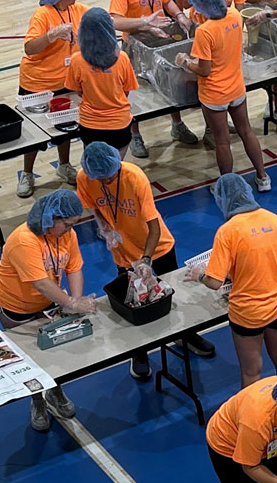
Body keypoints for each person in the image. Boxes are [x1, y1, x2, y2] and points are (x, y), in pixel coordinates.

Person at [76, 142, 214, 380]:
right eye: (101, 180)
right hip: (123, 252)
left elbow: (154, 226)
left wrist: (147, 259)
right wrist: (105, 227)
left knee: (172, 297)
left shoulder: (134, 177)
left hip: (157, 249)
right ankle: (138, 352)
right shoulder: (86, 177)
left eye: (109, 178)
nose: (105, 183)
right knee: (133, 305)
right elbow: (93, 206)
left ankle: (185, 335)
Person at [0, 191, 96, 432]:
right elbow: (40, 282)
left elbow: (74, 267)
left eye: (72, 225)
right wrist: (70, 303)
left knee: (55, 349)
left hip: (48, 300)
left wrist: (75, 301)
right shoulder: (23, 240)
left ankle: (55, 391)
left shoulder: (68, 235)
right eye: (66, 225)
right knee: (30, 357)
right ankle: (37, 400)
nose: (70, 230)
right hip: (16, 304)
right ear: (51, 218)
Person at [188, 174, 277, 388]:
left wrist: (199, 274)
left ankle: (252, 418)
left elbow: (215, 282)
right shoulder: (273, 219)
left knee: (251, 372)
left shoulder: (227, 232)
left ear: (222, 199)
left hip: (248, 313)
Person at [175, 0, 272, 191]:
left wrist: (185, 62)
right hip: (237, 87)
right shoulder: (235, 14)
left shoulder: (205, 31)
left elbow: (204, 70)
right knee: (246, 131)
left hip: (215, 95)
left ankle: (227, 185)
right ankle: (263, 177)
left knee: (222, 141)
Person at [110, 0, 196, 156]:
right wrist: (143, 23)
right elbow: (114, 21)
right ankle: (135, 135)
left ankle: (177, 125)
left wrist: (179, 15)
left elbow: (167, 1)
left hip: (161, 37)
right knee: (137, 93)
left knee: (170, 83)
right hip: (136, 44)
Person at [16, 0, 86, 198]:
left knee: (65, 125)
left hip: (66, 80)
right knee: (34, 135)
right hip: (38, 83)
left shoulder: (78, 10)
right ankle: (27, 173)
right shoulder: (42, 15)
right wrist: (52, 35)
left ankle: (64, 165)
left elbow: (103, 19)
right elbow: (29, 48)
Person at [65, 7, 140, 157]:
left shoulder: (77, 60)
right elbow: (127, 89)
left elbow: (77, 90)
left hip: (90, 125)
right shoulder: (122, 58)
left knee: (93, 169)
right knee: (116, 169)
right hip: (119, 124)